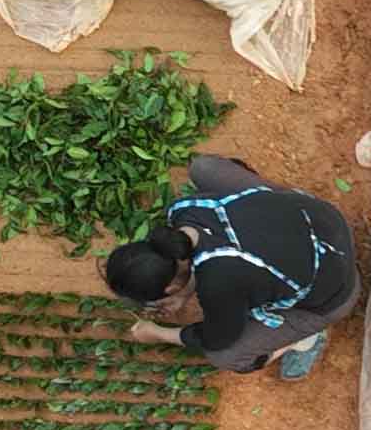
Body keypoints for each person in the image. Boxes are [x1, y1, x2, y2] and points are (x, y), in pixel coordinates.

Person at [103, 153, 357, 378]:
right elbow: (202, 254)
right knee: (204, 168)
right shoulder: (182, 210)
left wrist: (157, 333)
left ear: (170, 289)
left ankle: (302, 340)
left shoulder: (219, 284)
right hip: (324, 220)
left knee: (225, 355)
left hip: (336, 289)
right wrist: (184, 293)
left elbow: (216, 338)